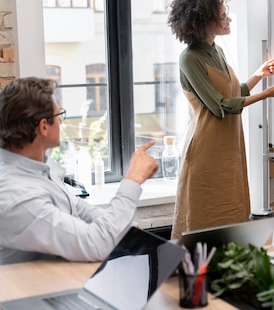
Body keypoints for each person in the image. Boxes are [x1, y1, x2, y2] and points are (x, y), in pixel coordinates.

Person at [167, 0, 274, 239]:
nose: (229, 20)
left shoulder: (216, 51)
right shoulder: (189, 58)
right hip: (206, 150)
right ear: (204, 22)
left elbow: (233, 92)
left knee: (231, 209)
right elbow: (221, 106)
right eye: (223, 16)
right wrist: (266, 94)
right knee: (204, 216)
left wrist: (259, 75)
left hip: (228, 147)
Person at [0, 77, 160, 265]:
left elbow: (75, 207)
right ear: (44, 126)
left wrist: (127, 229)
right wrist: (133, 179)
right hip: (29, 291)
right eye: (59, 115)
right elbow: (94, 244)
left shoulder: (37, 167)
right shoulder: (18, 197)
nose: (61, 121)